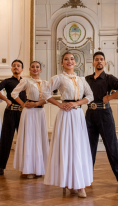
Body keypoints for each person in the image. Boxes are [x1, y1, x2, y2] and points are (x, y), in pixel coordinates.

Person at [43, 52, 94, 198]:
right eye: (66, 59)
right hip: (65, 116)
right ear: (61, 63)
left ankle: (79, 185)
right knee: (66, 147)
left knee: (78, 147)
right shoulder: (58, 78)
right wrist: (59, 104)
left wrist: (76, 103)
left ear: (75, 62)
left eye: (72, 59)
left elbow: (90, 96)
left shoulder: (82, 79)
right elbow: (45, 93)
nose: (69, 61)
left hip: (78, 115)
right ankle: (68, 182)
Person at [85, 51, 118, 188]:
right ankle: (86, 177)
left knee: (111, 146)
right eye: (97, 59)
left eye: (102, 59)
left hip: (105, 114)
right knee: (89, 147)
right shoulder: (86, 79)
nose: (99, 61)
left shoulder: (109, 78)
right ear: (93, 63)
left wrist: (110, 97)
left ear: (104, 63)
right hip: (90, 114)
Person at [11, 61, 49, 178]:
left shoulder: (45, 83)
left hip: (40, 112)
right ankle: (28, 169)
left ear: (40, 69)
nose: (35, 69)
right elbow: (14, 93)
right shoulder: (26, 81)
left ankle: (39, 168)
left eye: (37, 67)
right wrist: (23, 104)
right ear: (29, 69)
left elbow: (48, 98)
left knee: (39, 138)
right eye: (32, 67)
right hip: (29, 113)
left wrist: (37, 103)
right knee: (29, 138)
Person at [0, 60, 27, 175]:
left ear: (22, 69)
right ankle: (1, 166)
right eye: (14, 66)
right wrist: (6, 99)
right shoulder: (7, 81)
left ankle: (26, 167)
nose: (16, 67)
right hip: (10, 113)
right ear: (12, 69)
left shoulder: (26, 81)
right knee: (6, 139)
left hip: (23, 113)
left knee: (25, 140)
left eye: (18, 66)